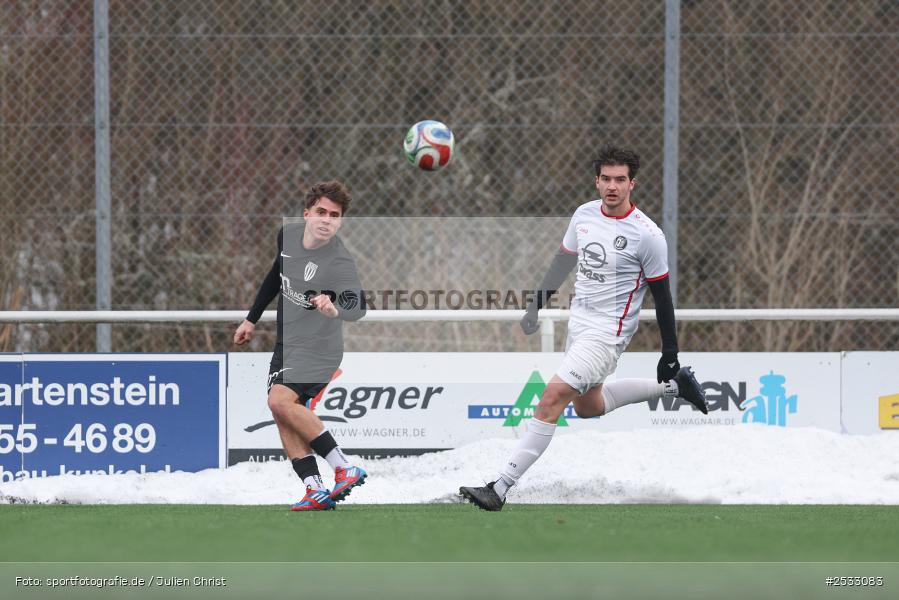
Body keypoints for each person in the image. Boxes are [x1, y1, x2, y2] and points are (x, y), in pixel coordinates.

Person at [460, 146, 709, 511]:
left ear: (632, 184)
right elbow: (563, 262)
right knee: (589, 406)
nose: (612, 186)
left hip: (607, 335)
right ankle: (674, 387)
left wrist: (669, 352)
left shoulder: (647, 235)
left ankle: (499, 487)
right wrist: (535, 305)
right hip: (579, 326)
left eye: (620, 179)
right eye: (606, 178)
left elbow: (663, 296)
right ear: (596, 181)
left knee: (551, 399)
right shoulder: (584, 215)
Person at [234, 180, 368, 511]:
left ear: (339, 222)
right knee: (283, 413)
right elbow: (274, 276)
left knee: (279, 402)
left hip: (319, 345)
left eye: (334, 215)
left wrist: (335, 307)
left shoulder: (339, 260)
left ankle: (343, 467)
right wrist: (251, 318)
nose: (326, 220)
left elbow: (359, 306)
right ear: (306, 214)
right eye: (321, 212)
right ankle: (314, 488)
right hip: (287, 343)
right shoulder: (288, 237)